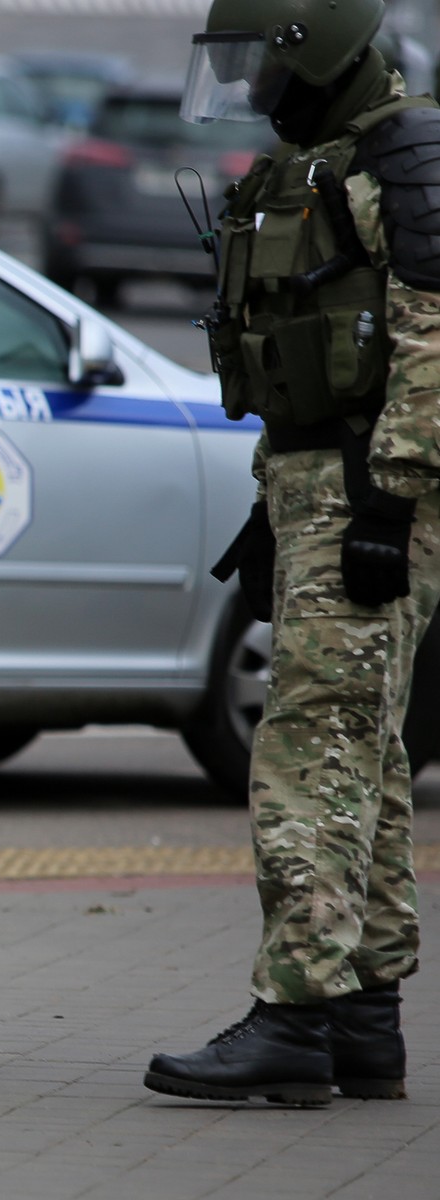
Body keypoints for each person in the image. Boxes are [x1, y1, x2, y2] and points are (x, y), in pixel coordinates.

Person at [145, 0, 440, 1107]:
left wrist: (387, 505)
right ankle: (363, 1020)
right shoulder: (328, 161)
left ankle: (293, 1021)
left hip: (369, 490)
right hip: (316, 485)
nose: (249, 91)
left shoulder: (403, 155)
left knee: (308, 760)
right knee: (360, 760)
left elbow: (434, 345)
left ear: (308, 53)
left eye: (255, 68)